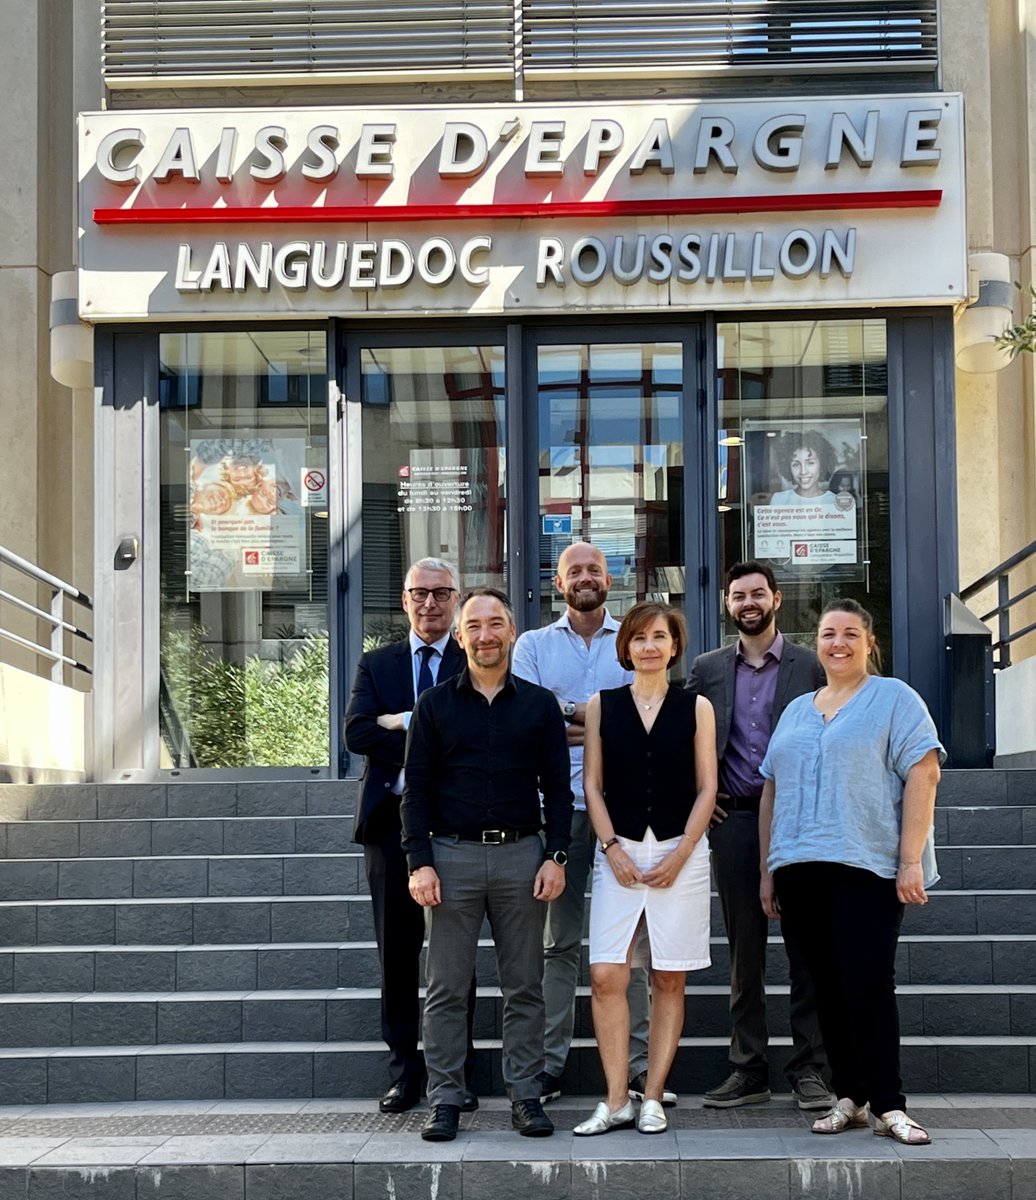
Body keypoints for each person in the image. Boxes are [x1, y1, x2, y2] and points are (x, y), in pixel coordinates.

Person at [759, 598, 944, 1145]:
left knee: (867, 983)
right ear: (815, 643)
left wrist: (910, 859)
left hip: (866, 863)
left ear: (869, 643)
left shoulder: (895, 699)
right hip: (798, 865)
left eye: (848, 633)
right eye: (827, 633)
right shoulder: (796, 709)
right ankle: (851, 1096)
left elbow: (925, 773)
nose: (837, 642)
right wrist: (769, 870)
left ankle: (890, 1103)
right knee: (824, 988)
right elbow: (771, 787)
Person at [402, 587, 573, 1143]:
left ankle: (525, 1095)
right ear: (460, 635)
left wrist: (556, 856)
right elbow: (416, 793)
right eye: (474, 625)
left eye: (495, 624)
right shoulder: (434, 705)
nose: (485, 635)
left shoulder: (539, 705)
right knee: (448, 987)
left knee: (525, 985)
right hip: (450, 858)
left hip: (522, 857)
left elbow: (559, 792)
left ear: (512, 633)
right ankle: (446, 1098)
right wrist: (420, 863)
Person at [512, 541, 661, 1106]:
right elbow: (529, 718)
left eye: (594, 569)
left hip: (627, 816)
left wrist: (572, 714)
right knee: (558, 946)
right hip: (557, 813)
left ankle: (642, 1067)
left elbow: (646, 716)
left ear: (610, 577)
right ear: (558, 581)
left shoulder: (634, 640)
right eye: (575, 570)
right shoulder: (531, 646)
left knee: (633, 948)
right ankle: (549, 1066)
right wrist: (602, 717)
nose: (585, 577)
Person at [689, 561, 832, 1110]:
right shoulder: (707, 668)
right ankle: (747, 1067)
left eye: (757, 594)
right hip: (736, 824)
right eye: (738, 595)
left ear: (775, 599)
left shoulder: (810, 665)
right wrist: (701, 797)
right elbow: (685, 734)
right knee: (744, 953)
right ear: (728, 604)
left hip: (801, 823)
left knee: (806, 949)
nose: (748, 603)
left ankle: (810, 1068)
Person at [574, 602, 716, 1137]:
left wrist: (681, 854)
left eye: (660, 636)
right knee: (607, 974)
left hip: (682, 851)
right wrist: (611, 847)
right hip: (620, 850)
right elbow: (591, 784)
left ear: (674, 646)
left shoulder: (696, 706)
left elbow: (708, 786)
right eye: (639, 638)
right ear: (626, 647)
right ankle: (615, 1100)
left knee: (668, 976)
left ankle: (652, 1094)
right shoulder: (602, 705)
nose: (650, 646)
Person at [344, 557, 477, 1114]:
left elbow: (474, 733)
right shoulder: (379, 664)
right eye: (419, 594)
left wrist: (400, 726)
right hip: (389, 829)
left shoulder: (474, 662)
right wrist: (424, 745)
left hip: (452, 827)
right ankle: (404, 1072)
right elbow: (356, 732)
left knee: (453, 960)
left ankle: (456, 1073)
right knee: (397, 954)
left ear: (456, 600)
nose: (430, 603)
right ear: (404, 601)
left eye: (441, 593)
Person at [769, 430, 838, 506]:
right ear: (787, 468)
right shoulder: (779, 500)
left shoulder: (834, 501)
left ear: (822, 465)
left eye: (810, 463)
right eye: (796, 464)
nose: (803, 471)